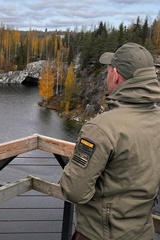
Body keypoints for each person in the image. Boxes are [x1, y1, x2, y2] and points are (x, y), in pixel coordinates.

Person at [60, 42, 160, 240]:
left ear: (115, 75)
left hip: (100, 235)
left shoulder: (101, 128)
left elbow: (74, 191)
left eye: (107, 72)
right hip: (142, 233)